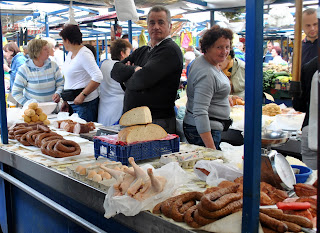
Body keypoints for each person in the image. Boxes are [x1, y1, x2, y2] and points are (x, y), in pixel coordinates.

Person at [111, 5, 183, 134]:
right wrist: (134, 70)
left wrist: (126, 80)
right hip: (134, 120)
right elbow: (115, 71)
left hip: (156, 122)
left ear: (170, 26)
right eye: (152, 23)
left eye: (161, 22)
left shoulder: (169, 50)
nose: (156, 27)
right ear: (147, 26)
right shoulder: (142, 50)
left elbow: (141, 80)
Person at [183, 25, 234, 150]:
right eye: (219, 47)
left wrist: (224, 96)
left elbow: (211, 89)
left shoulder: (206, 61)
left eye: (227, 47)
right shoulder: (207, 73)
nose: (224, 51)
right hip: (204, 131)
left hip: (203, 128)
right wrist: (211, 149)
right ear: (207, 47)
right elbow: (200, 112)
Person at [59, 24, 103, 122]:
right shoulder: (70, 54)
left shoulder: (84, 54)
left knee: (84, 134)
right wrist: (66, 100)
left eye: (63, 40)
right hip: (73, 102)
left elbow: (98, 76)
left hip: (85, 104)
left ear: (67, 40)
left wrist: (83, 95)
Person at [12, 39, 64, 105]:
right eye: (45, 49)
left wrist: (58, 93)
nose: (48, 51)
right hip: (35, 113)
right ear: (36, 51)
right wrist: (28, 104)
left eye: (48, 48)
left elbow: (61, 84)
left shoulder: (53, 66)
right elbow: (16, 92)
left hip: (53, 109)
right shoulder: (24, 69)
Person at [98, 39, 132, 126]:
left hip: (103, 109)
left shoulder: (103, 64)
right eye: (128, 53)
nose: (130, 55)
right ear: (122, 53)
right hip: (118, 109)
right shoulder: (122, 68)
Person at [292, 56, 318, 169]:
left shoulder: (309, 66)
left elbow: (299, 105)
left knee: (310, 181)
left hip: (311, 130)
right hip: (311, 133)